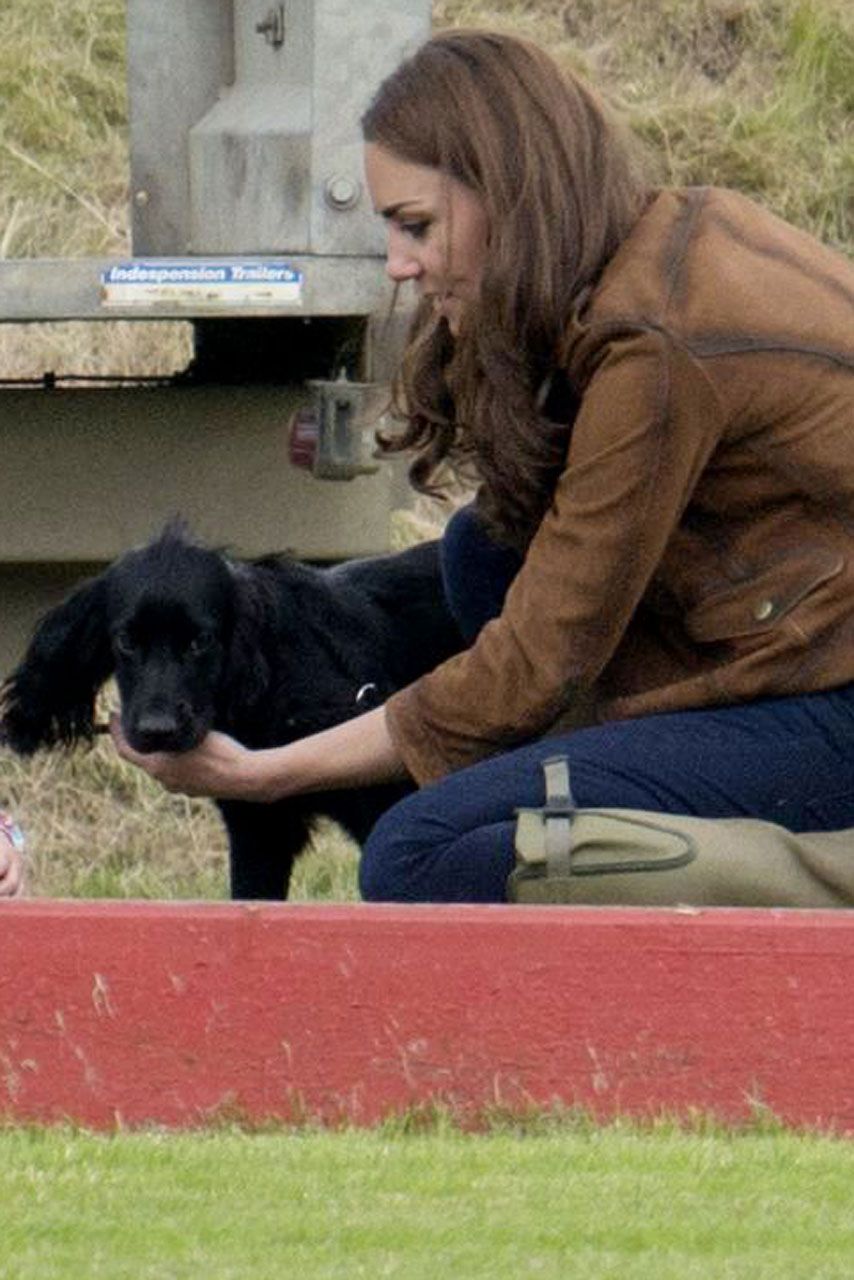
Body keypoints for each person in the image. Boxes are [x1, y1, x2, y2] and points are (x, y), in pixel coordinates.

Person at [112, 28, 854, 904]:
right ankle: (570, 793)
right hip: (793, 644)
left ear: (511, 195)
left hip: (830, 705)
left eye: (416, 227)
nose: (397, 264)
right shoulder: (671, 240)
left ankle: (821, 876)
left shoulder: (654, 348)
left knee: (415, 853)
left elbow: (537, 662)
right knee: (482, 551)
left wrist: (269, 774)